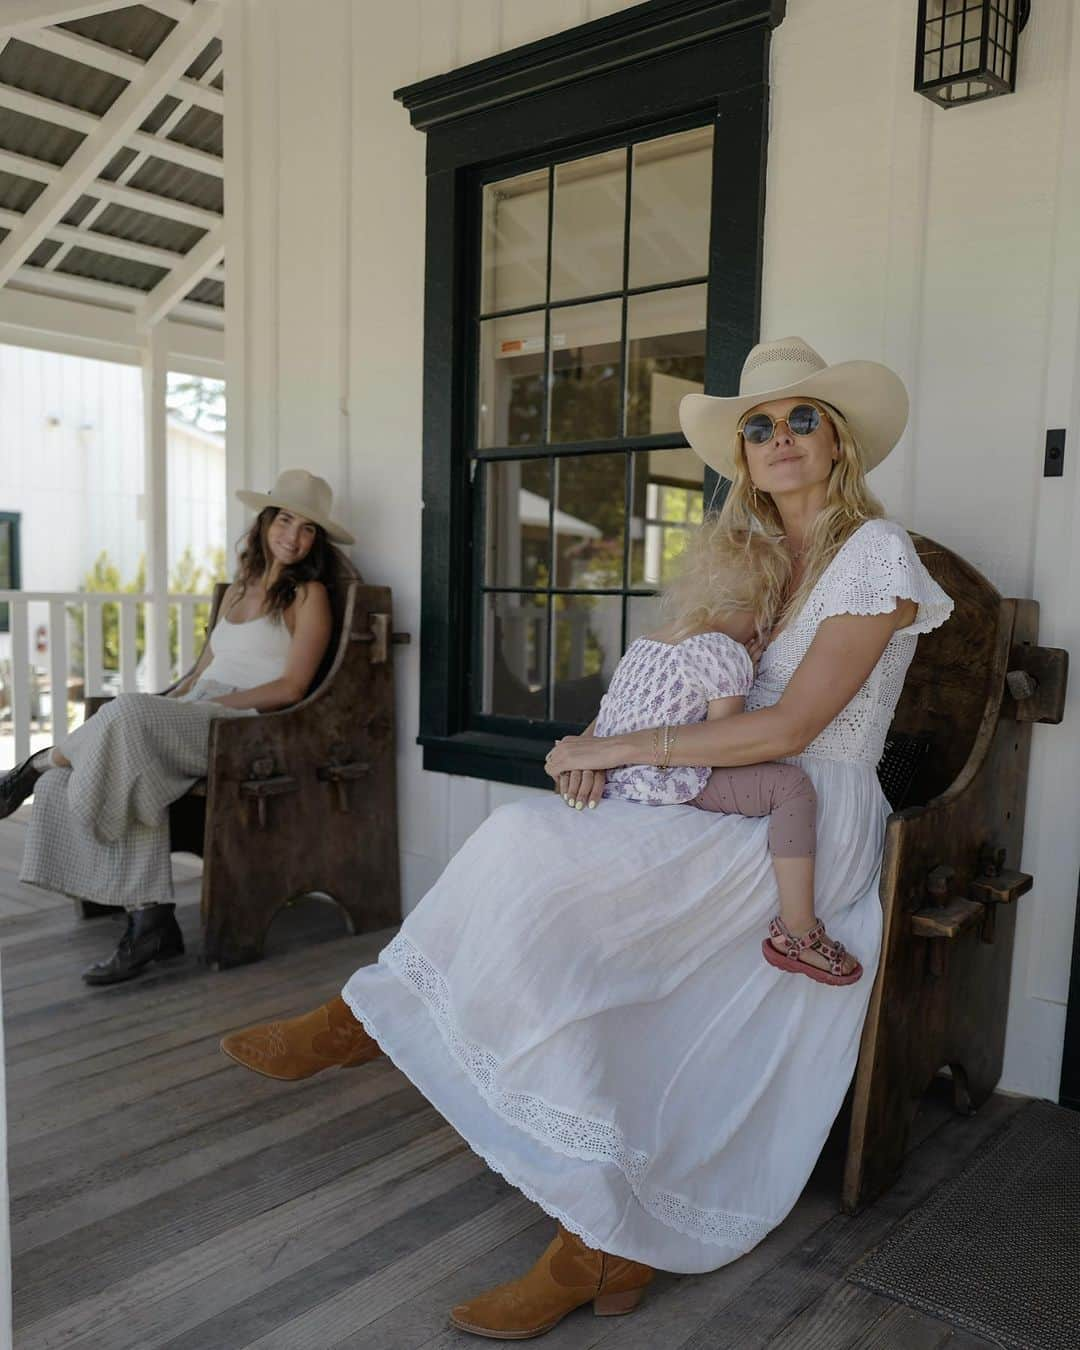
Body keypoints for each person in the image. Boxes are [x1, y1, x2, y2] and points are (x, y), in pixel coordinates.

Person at [220, 338, 953, 1340]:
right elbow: (695, 675)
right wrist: (623, 747)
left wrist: (619, 748)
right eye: (758, 424)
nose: (779, 438)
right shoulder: (749, 553)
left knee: (542, 857)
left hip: (800, 809)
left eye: (802, 419)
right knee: (538, 860)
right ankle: (566, 1209)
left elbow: (790, 729)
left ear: (839, 442)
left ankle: (396, 1046)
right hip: (715, 783)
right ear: (740, 453)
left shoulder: (875, 553)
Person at [0, 468, 353, 987]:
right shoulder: (238, 591)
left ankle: (33, 765)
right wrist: (170, 703)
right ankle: (151, 920)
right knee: (120, 757)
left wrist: (202, 705)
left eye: (306, 529)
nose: (292, 536)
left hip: (247, 727)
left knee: (122, 715)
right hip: (199, 713)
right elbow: (198, 673)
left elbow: (292, 688)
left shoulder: (309, 596)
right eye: (284, 519)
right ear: (264, 523)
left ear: (316, 541)